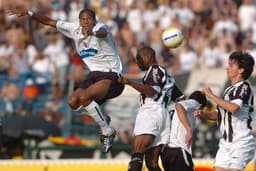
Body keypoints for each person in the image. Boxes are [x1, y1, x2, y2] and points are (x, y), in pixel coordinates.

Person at [8, 8, 124, 152]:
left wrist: (92, 32)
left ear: (95, 20)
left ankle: (107, 131)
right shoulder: (75, 30)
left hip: (111, 76)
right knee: (73, 102)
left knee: (83, 96)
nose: (86, 21)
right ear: (79, 21)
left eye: (89, 19)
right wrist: (30, 13)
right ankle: (102, 119)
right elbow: (50, 22)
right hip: (93, 75)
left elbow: (102, 33)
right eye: (83, 19)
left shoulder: (101, 28)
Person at [118, 46, 184, 171]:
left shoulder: (154, 69)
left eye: (139, 58)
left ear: (148, 56)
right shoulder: (168, 77)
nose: (137, 61)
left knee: (137, 152)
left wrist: (129, 82)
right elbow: (180, 99)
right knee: (152, 163)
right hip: (163, 115)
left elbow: (152, 92)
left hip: (151, 110)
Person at [194, 51, 256, 171]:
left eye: (231, 65)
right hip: (226, 142)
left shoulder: (244, 87)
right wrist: (203, 114)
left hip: (241, 141)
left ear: (241, 70)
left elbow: (233, 108)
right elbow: (219, 114)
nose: (227, 68)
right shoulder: (229, 89)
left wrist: (211, 95)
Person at [159, 90, 207, 171]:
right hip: (179, 150)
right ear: (201, 104)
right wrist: (188, 129)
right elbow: (179, 105)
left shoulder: (172, 110)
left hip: (166, 152)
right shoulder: (194, 103)